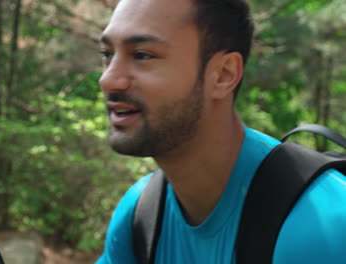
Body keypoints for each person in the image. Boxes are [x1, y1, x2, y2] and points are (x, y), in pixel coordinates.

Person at [95, 0, 346, 263]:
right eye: (107, 54)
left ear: (224, 75)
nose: (108, 79)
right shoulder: (140, 216)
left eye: (142, 55)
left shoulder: (321, 228)